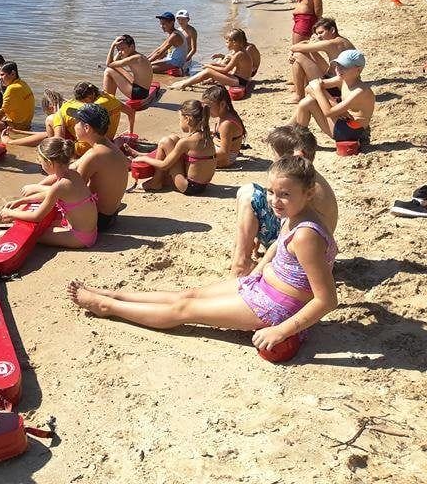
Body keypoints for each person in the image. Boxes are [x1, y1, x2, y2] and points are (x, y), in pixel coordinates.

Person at [69, 156, 339, 356]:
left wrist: (281, 331)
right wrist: (258, 271)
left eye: (285, 194)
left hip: (276, 307)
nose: (274, 200)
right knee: (189, 294)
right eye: (271, 192)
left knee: (185, 310)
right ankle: (112, 295)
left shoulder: (307, 236)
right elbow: (277, 246)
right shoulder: (296, 214)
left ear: (309, 192)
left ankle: (107, 307)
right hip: (263, 287)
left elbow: (326, 300)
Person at [232, 125, 338, 277]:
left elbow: (285, 235)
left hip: (299, 249)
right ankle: (240, 255)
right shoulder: (307, 180)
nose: (273, 160)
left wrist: (257, 273)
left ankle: (240, 263)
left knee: (248, 194)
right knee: (254, 196)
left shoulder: (306, 192)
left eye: (275, 156)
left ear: (293, 157)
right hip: (315, 248)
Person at [0, 137, 99, 249]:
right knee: (33, 225)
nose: (40, 164)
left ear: (49, 163)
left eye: (40, 162)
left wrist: (10, 213)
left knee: (33, 233)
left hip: (80, 237)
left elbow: (36, 216)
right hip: (87, 229)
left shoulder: (59, 186)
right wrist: (22, 201)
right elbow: (49, 196)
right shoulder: (73, 174)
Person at [14, 104, 128, 233]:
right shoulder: (107, 146)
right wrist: (41, 184)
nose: (74, 126)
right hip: (111, 214)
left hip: (99, 220)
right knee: (47, 191)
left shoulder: (94, 155)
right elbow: (72, 168)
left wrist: (36, 188)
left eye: (76, 122)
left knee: (40, 212)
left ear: (86, 128)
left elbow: (73, 191)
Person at [3, 82, 132, 153]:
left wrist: (46, 154)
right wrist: (19, 131)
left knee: (50, 122)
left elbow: (57, 141)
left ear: (51, 107)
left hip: (85, 148)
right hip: (106, 139)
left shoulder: (61, 113)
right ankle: (13, 139)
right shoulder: (108, 99)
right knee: (52, 130)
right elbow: (131, 112)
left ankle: (11, 141)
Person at [130, 99, 216, 195]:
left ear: (187, 119)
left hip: (189, 187)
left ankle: (155, 182)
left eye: (180, 119)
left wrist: (145, 159)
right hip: (202, 185)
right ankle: (157, 180)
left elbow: (164, 165)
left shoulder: (186, 142)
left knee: (165, 142)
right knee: (173, 139)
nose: (179, 122)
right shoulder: (207, 136)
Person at [290, 50, 374, 145]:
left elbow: (328, 112)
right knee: (308, 101)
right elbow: (310, 87)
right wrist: (338, 108)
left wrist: (318, 90)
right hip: (345, 122)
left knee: (307, 102)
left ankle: (299, 141)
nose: (338, 69)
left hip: (353, 131)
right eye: (337, 65)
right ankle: (300, 141)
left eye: (344, 67)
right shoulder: (342, 79)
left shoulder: (359, 91)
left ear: (358, 70)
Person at [288, 17, 354, 104]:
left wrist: (292, 51)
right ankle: (299, 93)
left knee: (298, 55)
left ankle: (299, 95)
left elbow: (295, 47)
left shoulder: (330, 44)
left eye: (321, 33)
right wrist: (300, 47)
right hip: (348, 82)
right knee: (306, 52)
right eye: (317, 34)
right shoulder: (343, 41)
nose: (319, 36)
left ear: (332, 30)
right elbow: (306, 45)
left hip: (338, 87)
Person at [170, 29, 253, 91]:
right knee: (213, 67)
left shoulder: (239, 54)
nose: (226, 44)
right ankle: (188, 81)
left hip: (241, 82)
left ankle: (184, 84)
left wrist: (209, 66)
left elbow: (225, 70)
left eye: (227, 42)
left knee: (208, 71)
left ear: (234, 42)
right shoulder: (239, 51)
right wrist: (214, 65)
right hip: (240, 78)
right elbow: (228, 66)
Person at [202, 85, 246, 168]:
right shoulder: (224, 115)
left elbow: (224, 153)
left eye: (208, 107)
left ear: (222, 104)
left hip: (224, 159)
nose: (205, 110)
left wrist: (201, 158)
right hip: (218, 150)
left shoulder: (226, 124)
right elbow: (222, 134)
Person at [102, 34, 154, 100]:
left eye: (123, 49)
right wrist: (120, 51)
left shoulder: (135, 58)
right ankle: (111, 98)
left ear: (132, 47)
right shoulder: (136, 55)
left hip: (138, 93)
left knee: (108, 71)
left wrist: (112, 46)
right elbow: (114, 64)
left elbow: (109, 64)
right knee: (113, 69)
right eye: (118, 49)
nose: (120, 52)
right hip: (142, 91)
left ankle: (107, 100)